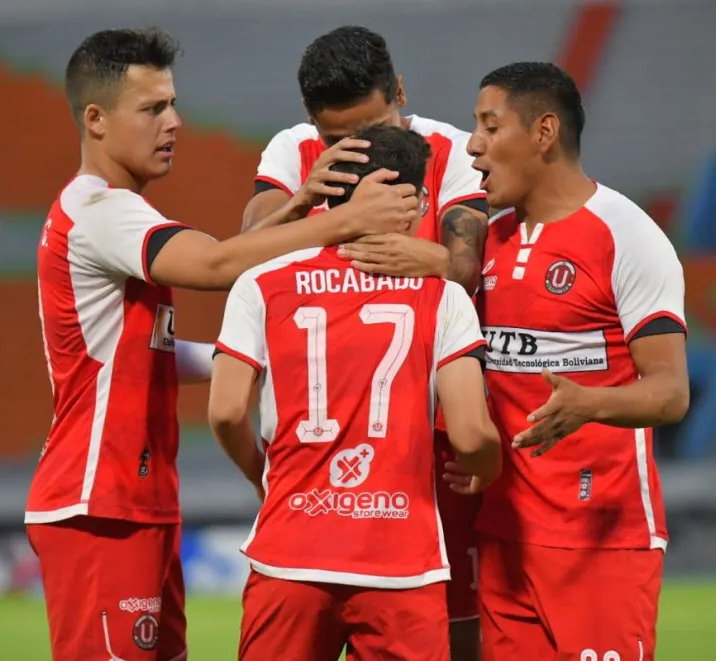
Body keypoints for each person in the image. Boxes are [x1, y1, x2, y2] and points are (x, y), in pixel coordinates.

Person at [26, 28, 420, 661]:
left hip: (140, 499)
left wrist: (247, 355)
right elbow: (212, 265)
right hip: (98, 501)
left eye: (172, 104)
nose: (174, 122)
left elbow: (150, 354)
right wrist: (343, 218)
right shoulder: (98, 210)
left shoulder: (117, 212)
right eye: (152, 109)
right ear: (95, 119)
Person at [241, 26, 490, 654]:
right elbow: (243, 254)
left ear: (400, 91)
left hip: (421, 449)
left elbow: (465, 264)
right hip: (315, 451)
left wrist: (422, 255)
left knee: (455, 624)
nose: (364, 155)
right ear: (309, 122)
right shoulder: (292, 150)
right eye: (337, 141)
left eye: (379, 128)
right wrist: (309, 201)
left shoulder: (452, 150)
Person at [441, 62, 689, 661]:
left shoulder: (627, 236)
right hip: (505, 534)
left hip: (601, 539)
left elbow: (671, 392)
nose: (472, 144)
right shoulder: (488, 244)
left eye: (489, 125)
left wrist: (590, 403)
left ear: (544, 132)